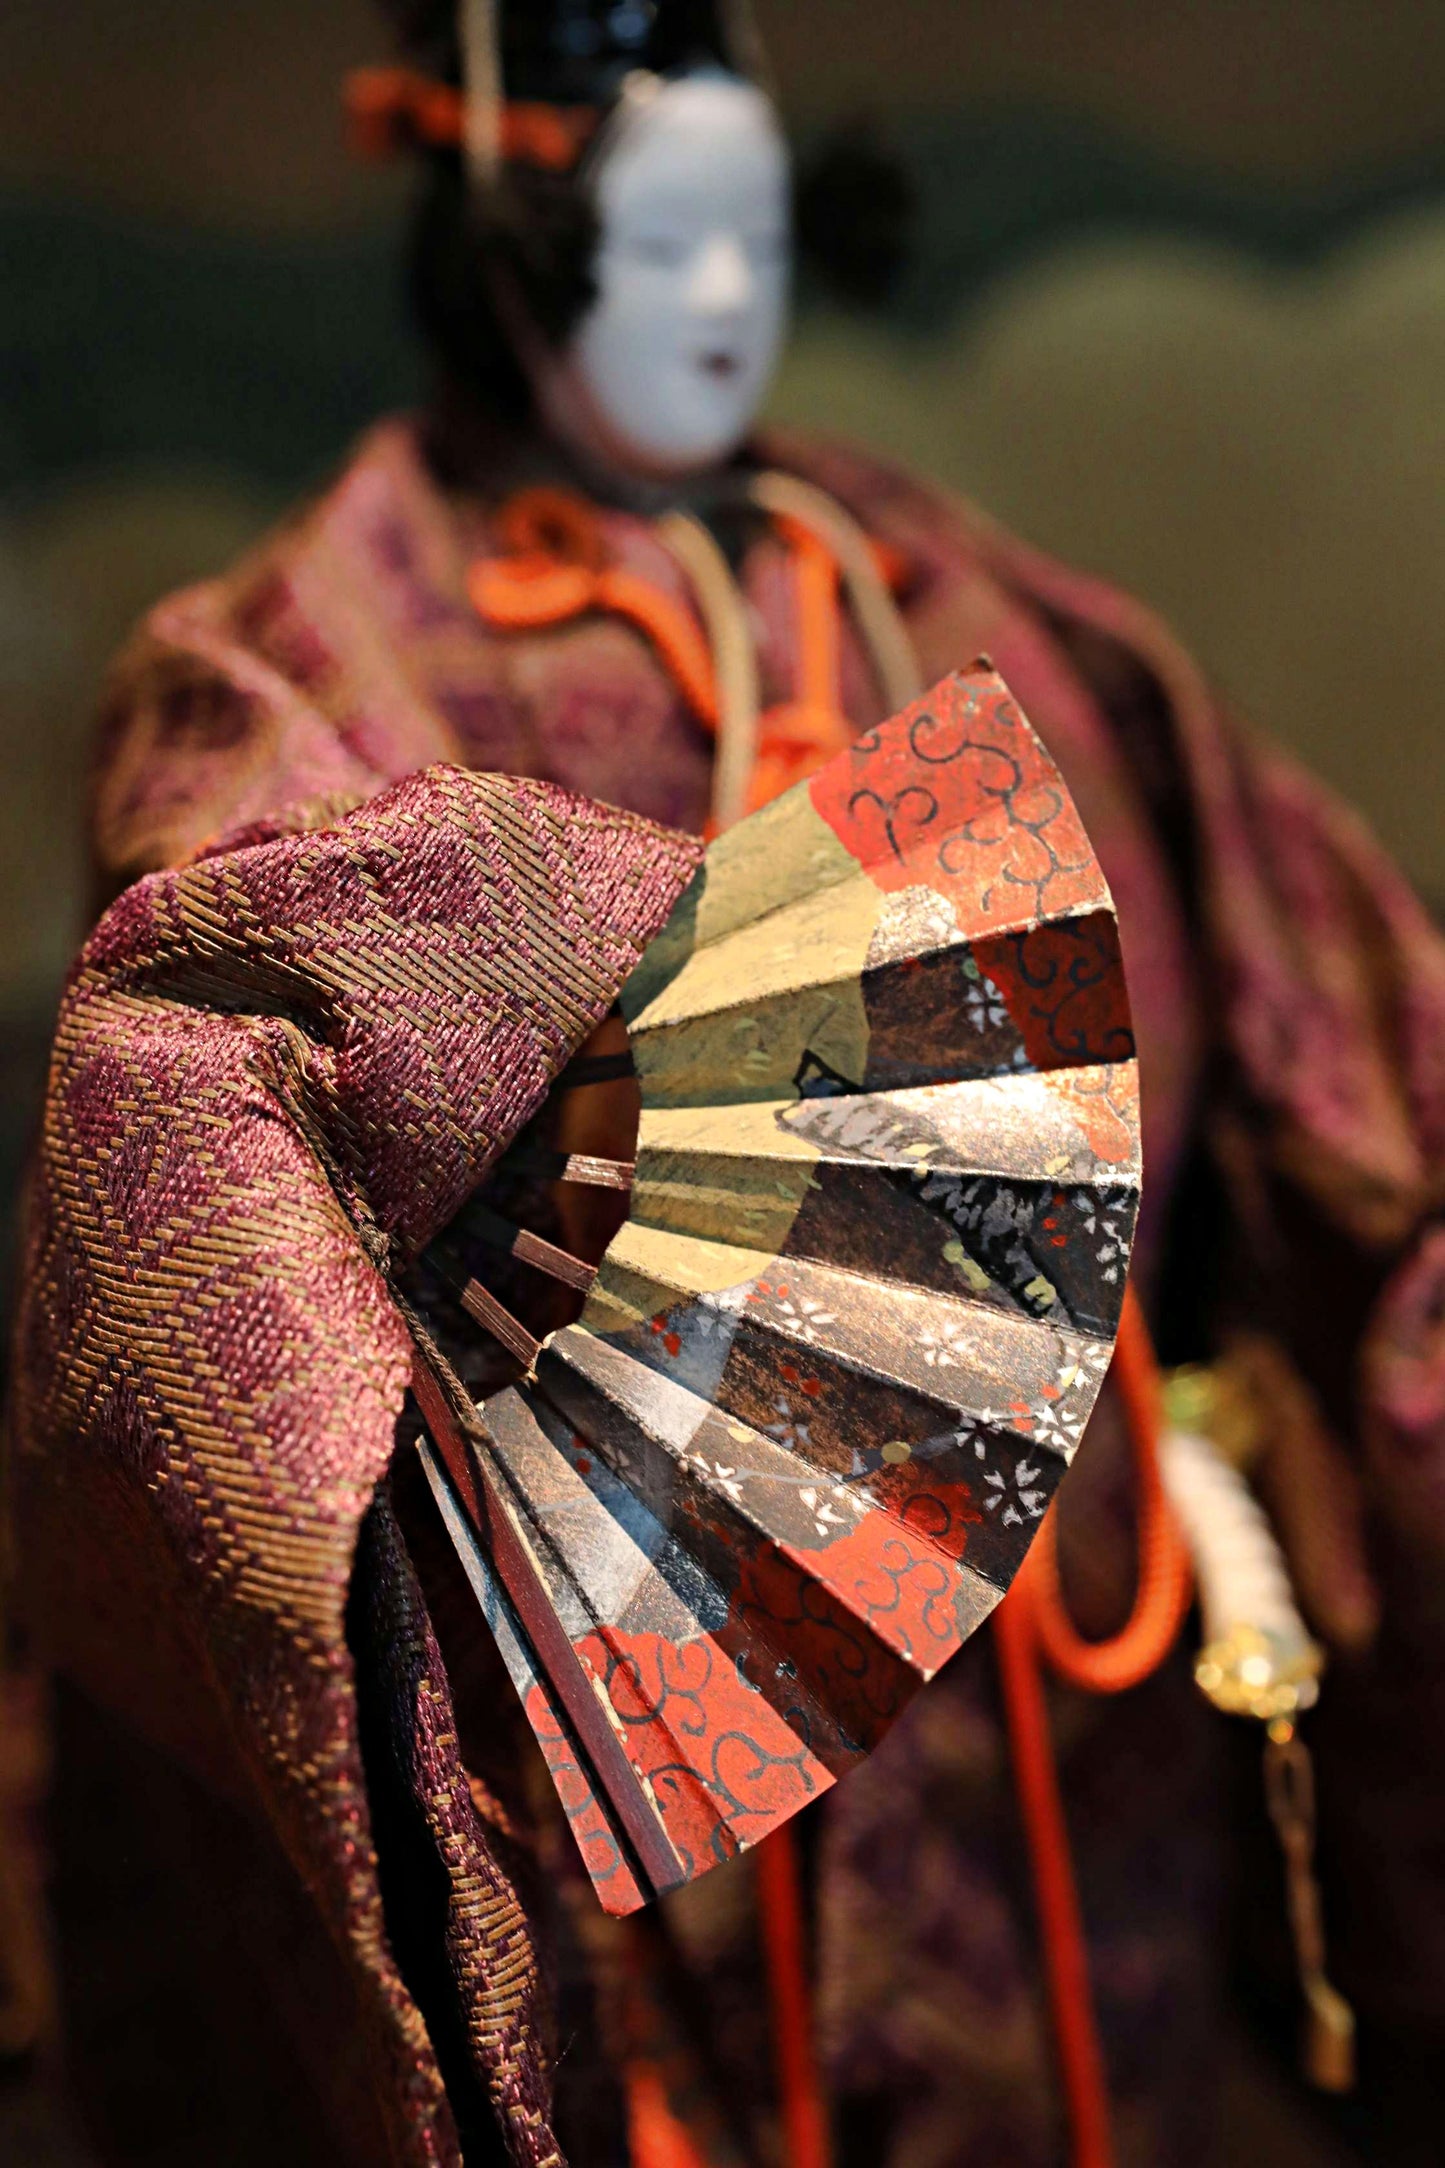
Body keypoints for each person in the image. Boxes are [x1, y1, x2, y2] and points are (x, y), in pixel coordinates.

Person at [8, 3, 1444, 2164]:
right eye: (655, 239)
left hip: (1077, 1689)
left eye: (754, 235)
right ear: (502, 229)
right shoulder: (303, 662)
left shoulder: (973, 609)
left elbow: (1350, 1046)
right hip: (643, 1759)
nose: (719, 298)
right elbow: (197, 1099)